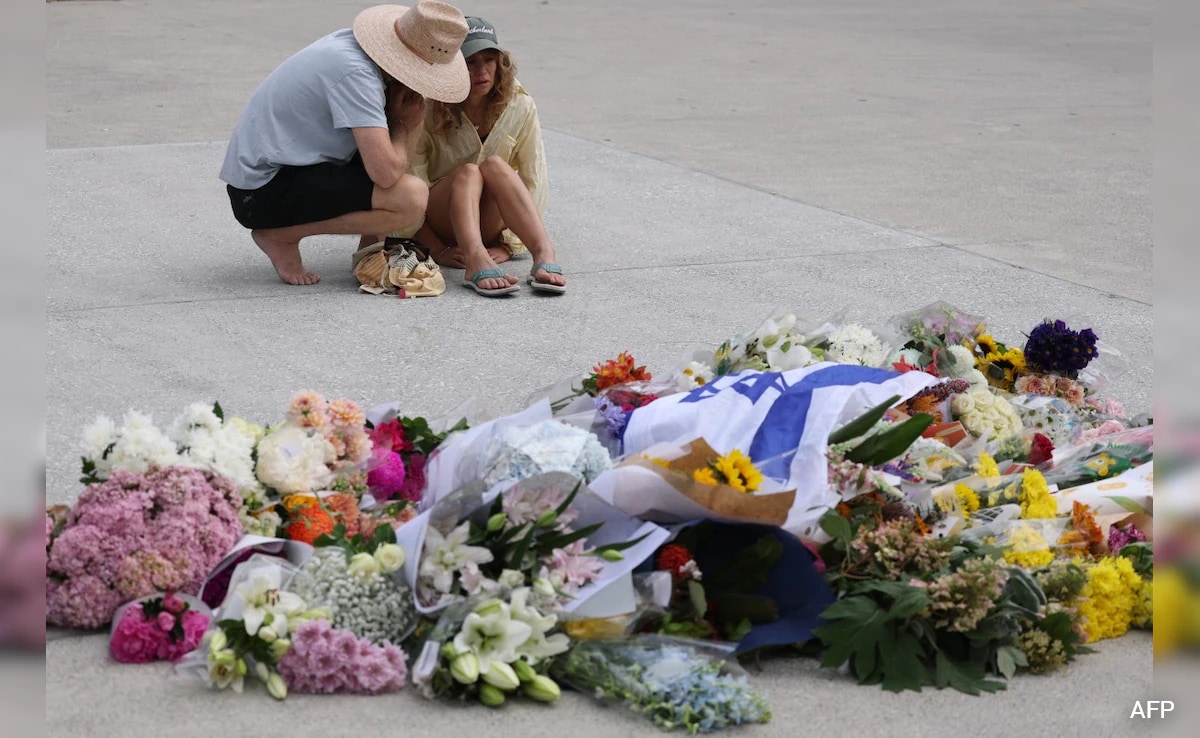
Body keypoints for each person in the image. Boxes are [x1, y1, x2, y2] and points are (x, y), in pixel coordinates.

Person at [219, 3, 471, 285]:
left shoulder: (357, 51)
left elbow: (393, 168)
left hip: (283, 172)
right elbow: (387, 174)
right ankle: (279, 235)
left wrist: (403, 122)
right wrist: (405, 125)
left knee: (393, 178)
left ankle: (370, 251)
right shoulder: (356, 74)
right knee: (410, 198)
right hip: (259, 192)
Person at [381, 17, 567, 296]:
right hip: (442, 219)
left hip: (489, 222)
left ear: (500, 63)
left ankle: (543, 251)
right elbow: (412, 181)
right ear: (453, 68)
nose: (482, 71)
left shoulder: (520, 104)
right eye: (470, 62)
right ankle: (474, 259)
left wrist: (509, 244)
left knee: (496, 166)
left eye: (489, 60)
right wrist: (435, 248)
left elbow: (533, 176)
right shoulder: (429, 107)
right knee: (469, 172)